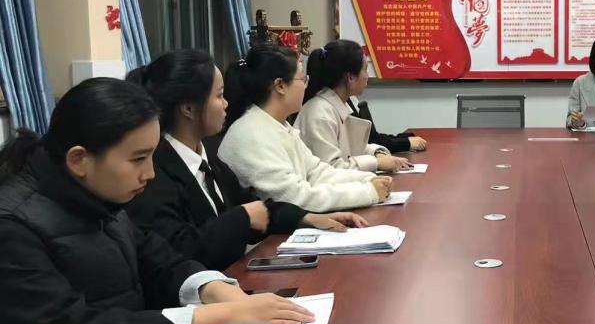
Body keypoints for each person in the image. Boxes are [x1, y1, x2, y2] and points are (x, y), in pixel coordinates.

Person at [0, 78, 315, 324]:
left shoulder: (95, 195)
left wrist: (218, 291)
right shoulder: (13, 225)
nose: (149, 173)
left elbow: (158, 260)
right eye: (138, 159)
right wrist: (220, 316)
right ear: (79, 159)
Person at [127, 50, 368, 271]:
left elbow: (256, 205)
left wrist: (306, 218)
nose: (226, 104)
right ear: (188, 108)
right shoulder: (155, 173)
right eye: (219, 96)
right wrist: (242, 218)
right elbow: (183, 250)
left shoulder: (209, 156)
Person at [218, 46, 391, 212]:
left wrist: (369, 179)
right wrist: (367, 192)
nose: (306, 86)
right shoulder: (252, 134)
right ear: (280, 86)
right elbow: (295, 197)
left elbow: (317, 172)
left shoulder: (278, 125)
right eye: (302, 79)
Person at [296, 41, 410, 172]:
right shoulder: (320, 115)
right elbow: (331, 169)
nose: (367, 76)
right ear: (350, 77)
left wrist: (377, 153)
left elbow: (353, 149)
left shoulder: (335, 105)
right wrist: (376, 163)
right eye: (365, 70)